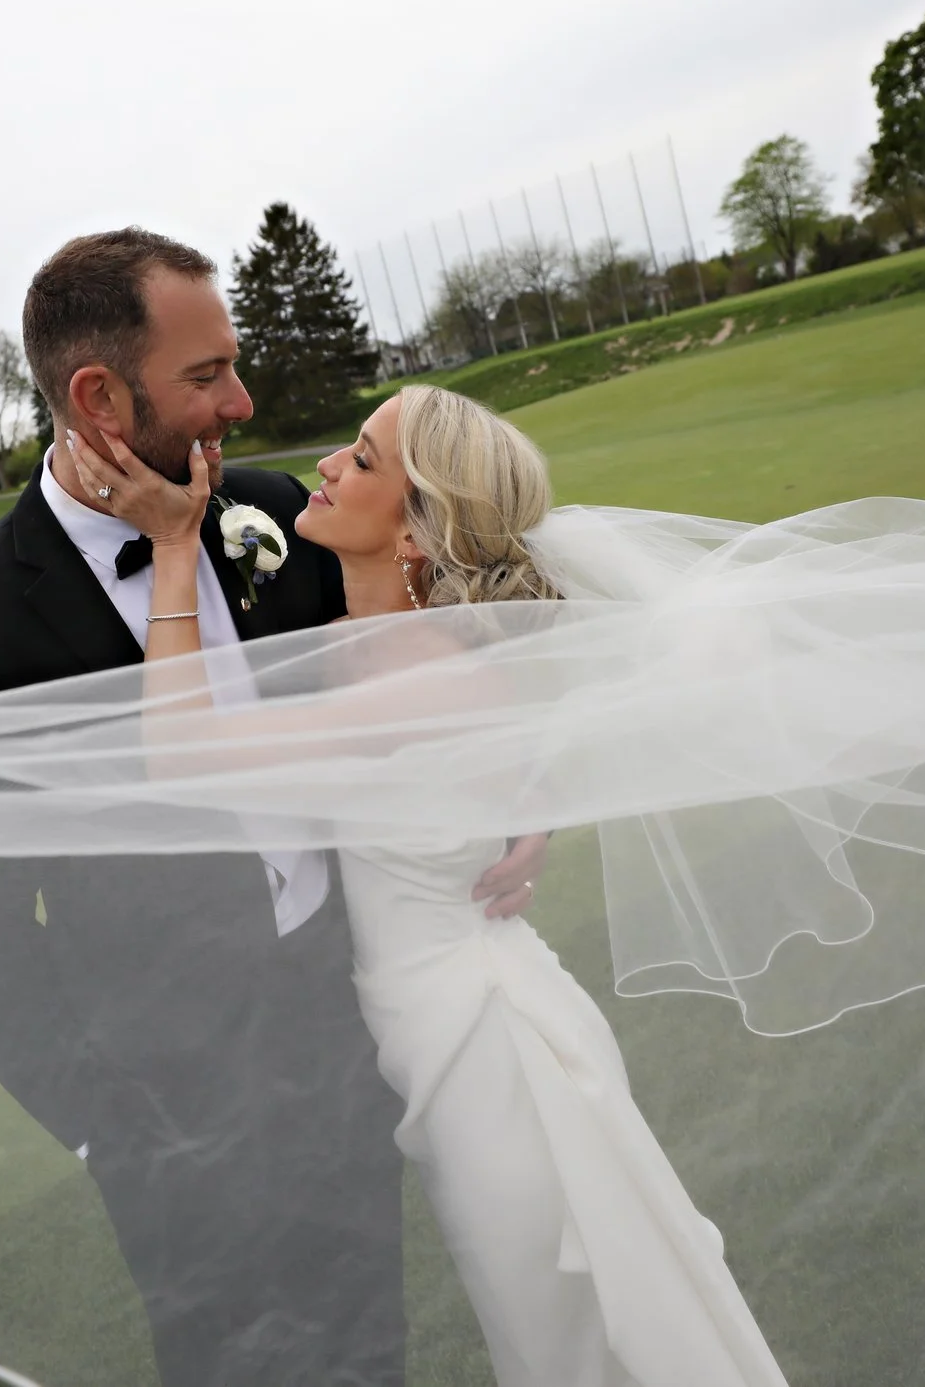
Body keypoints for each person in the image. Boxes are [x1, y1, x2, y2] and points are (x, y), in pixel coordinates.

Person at [0, 228, 547, 1387]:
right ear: (98, 394)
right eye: (206, 376)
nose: (240, 401)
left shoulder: (274, 512)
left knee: (369, 1342)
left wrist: (527, 786)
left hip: (347, 1023)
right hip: (165, 1103)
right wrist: (97, 1122)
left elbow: (455, 642)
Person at [64, 382, 792, 1387]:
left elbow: (184, 753)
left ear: (416, 532)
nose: (324, 464)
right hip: (443, 1028)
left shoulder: (420, 671)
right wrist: (528, 785)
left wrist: (177, 550)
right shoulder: (386, 644)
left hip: (488, 1060)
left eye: (362, 459)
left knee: (564, 1337)